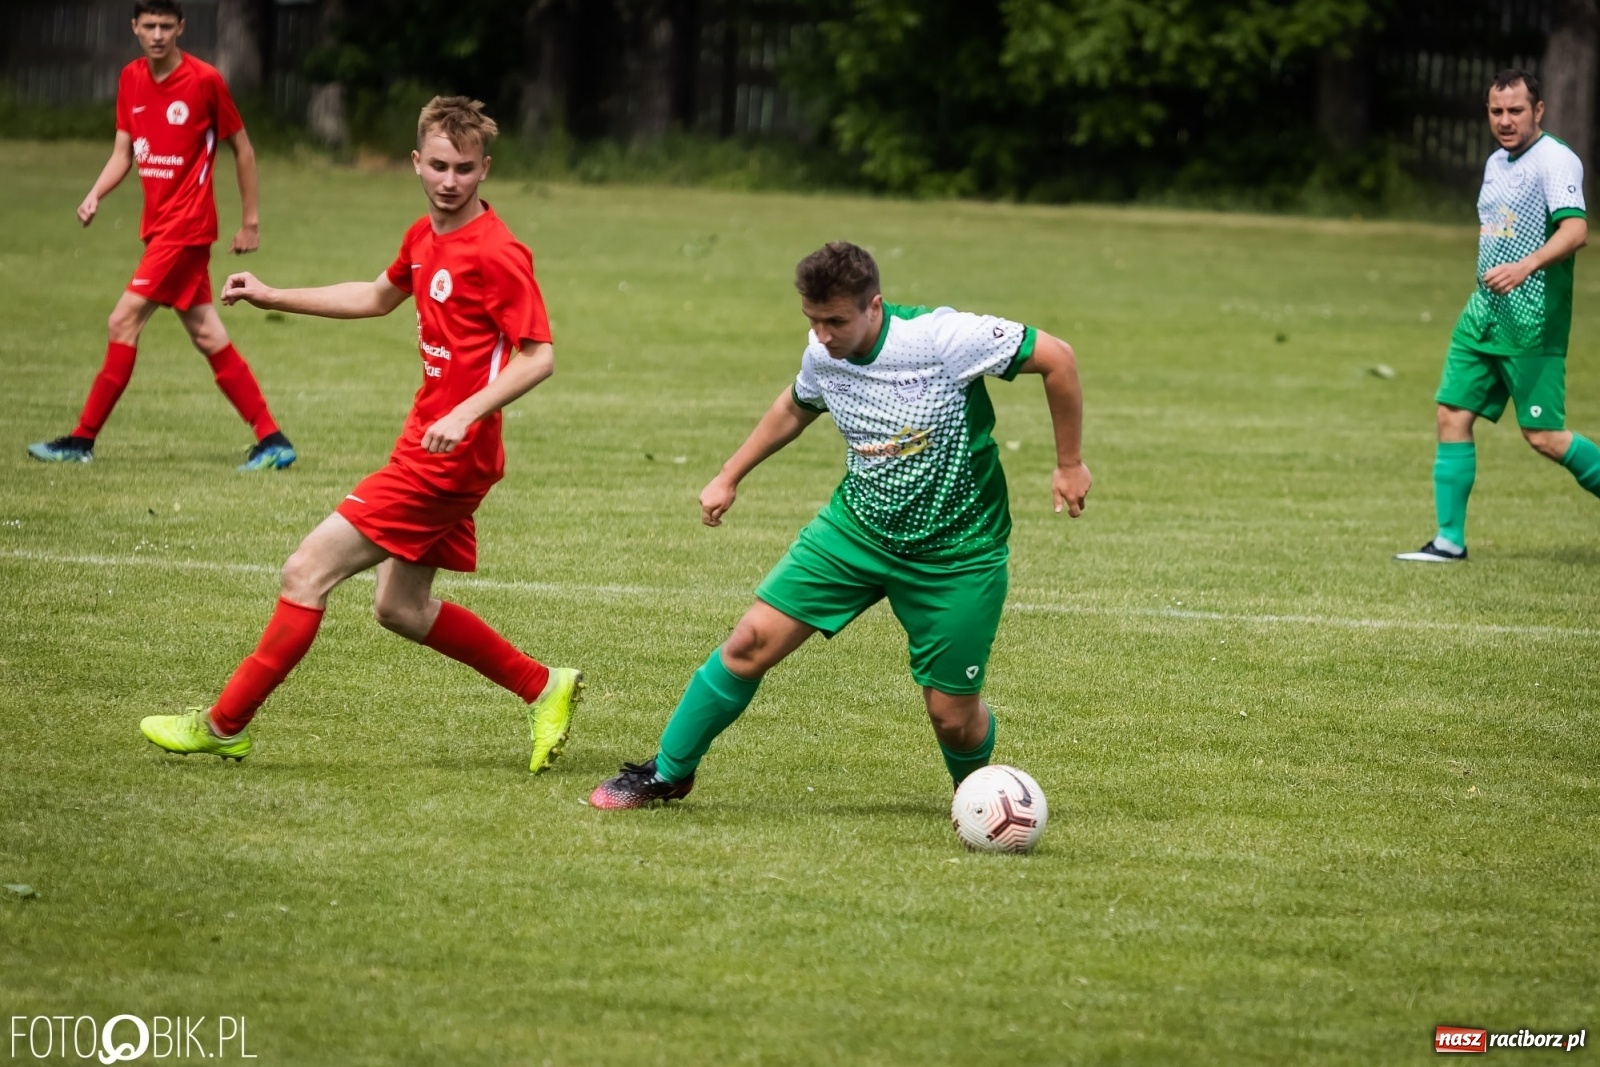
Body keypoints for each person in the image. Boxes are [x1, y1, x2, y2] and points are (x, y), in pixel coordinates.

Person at [139, 96, 582, 770]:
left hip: (448, 455)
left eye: (465, 168)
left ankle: (223, 722)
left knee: (306, 569)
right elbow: (377, 296)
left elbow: (539, 355)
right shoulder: (423, 237)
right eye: (438, 165)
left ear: (484, 169)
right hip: (432, 444)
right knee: (400, 607)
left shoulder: (497, 251)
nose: (450, 180)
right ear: (416, 163)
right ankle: (542, 685)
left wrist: (466, 412)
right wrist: (271, 293)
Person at [590, 241, 1091, 809]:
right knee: (748, 643)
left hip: (958, 552)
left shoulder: (943, 339)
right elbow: (796, 405)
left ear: (873, 306)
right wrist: (730, 475)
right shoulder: (823, 352)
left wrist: (1069, 464)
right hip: (854, 534)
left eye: (836, 321)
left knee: (951, 717)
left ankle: (979, 798)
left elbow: (1059, 358)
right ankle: (668, 772)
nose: (822, 335)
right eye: (813, 320)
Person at [29, 0, 296, 471]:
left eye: (166, 26)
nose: (157, 34)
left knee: (122, 320)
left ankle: (81, 441)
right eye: (148, 26)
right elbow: (122, 153)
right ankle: (273, 439)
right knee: (208, 333)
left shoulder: (205, 81)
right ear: (134, 27)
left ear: (180, 28)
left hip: (187, 227)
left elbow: (244, 148)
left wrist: (250, 221)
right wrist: (95, 195)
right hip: (160, 230)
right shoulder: (130, 78)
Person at [1397, 69, 1600, 562]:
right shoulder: (1496, 163)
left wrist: (1525, 266)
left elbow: (1575, 232)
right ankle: (1448, 541)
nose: (1505, 121)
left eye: (1515, 111)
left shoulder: (1555, 161)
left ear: (1539, 111)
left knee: (1545, 437)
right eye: (1496, 111)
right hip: (1483, 317)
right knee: (1451, 414)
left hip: (1532, 324)